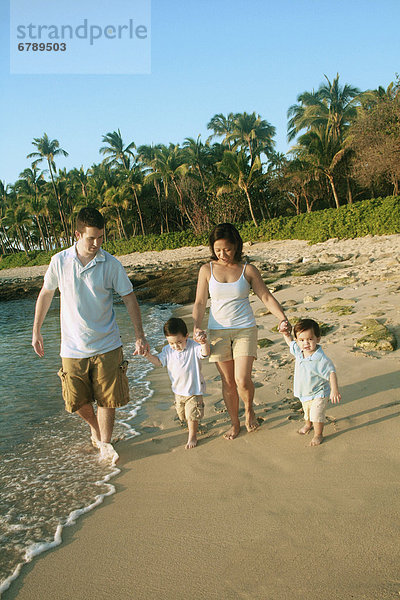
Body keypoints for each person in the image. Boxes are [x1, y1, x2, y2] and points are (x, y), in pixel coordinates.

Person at [32, 207, 149, 464]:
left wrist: (139, 335)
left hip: (108, 344)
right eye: (91, 238)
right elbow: (46, 294)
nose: (96, 243)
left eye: (100, 237)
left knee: (108, 399)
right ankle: (95, 428)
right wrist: (36, 330)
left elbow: (129, 298)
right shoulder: (59, 261)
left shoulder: (111, 263)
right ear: (77, 234)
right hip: (72, 348)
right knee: (75, 401)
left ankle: (105, 444)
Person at [192, 223, 291, 440]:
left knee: (242, 379)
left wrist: (282, 318)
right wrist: (196, 326)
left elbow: (265, 296)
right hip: (217, 332)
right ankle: (234, 423)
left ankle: (249, 410)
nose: (222, 254)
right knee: (228, 382)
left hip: (245, 329)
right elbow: (200, 302)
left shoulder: (248, 270)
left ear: (236, 245)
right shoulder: (206, 270)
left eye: (226, 249)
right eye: (217, 250)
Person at [144, 317, 210, 449]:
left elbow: (205, 353)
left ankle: (192, 436)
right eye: (171, 343)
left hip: (194, 390)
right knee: (182, 416)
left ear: (186, 336)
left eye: (179, 342)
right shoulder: (168, 350)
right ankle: (191, 425)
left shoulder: (193, 346)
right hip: (178, 392)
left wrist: (203, 343)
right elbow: (158, 362)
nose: (176, 346)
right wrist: (147, 355)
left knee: (192, 415)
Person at [281, 318, 341, 446]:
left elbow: (331, 372)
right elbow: (290, 342)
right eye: (301, 340)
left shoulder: (320, 358)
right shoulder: (299, 351)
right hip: (304, 391)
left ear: (318, 338)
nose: (306, 343)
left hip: (319, 392)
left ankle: (318, 435)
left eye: (310, 339)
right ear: (298, 340)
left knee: (316, 415)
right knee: (307, 411)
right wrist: (286, 334)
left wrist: (334, 390)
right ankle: (308, 425)